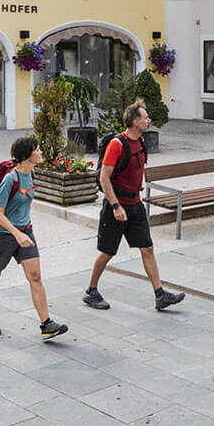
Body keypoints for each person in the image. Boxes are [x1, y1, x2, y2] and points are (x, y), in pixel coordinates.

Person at [83, 99, 185, 312]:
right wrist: (115, 206)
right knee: (107, 252)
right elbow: (104, 178)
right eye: (146, 117)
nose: (149, 120)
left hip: (135, 204)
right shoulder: (116, 145)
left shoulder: (141, 142)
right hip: (117, 206)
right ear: (135, 121)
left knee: (147, 248)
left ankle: (160, 295)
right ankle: (91, 291)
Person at [0, 137, 68, 341]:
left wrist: (23, 231)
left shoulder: (32, 174)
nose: (40, 152)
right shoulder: (10, 179)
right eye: (37, 150)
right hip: (3, 235)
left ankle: (46, 324)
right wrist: (16, 234)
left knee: (35, 276)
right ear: (27, 155)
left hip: (25, 232)